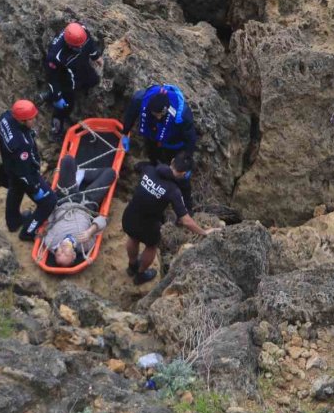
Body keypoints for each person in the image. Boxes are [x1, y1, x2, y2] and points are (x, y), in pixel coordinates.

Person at [121, 152, 216, 285]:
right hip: (148, 225)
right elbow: (185, 220)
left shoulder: (149, 169)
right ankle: (140, 274)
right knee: (151, 246)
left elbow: (137, 167)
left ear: (171, 162)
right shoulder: (173, 190)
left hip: (129, 216)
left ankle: (131, 267)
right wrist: (204, 232)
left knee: (132, 237)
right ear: (184, 174)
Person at [121, 83, 197, 211]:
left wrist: (188, 159)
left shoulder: (182, 115)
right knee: (153, 155)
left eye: (158, 115)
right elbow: (131, 114)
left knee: (180, 174)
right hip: (153, 136)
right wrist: (125, 132)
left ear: (165, 110)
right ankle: (152, 168)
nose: (156, 117)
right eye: (153, 114)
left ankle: (187, 207)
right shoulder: (141, 99)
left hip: (174, 143)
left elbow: (191, 139)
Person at [0, 99, 57, 241]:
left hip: (10, 165)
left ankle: (13, 222)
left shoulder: (5, 118)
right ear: (22, 121)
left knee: (15, 189)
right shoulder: (21, 144)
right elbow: (24, 171)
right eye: (31, 118)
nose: (35, 120)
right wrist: (35, 187)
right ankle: (29, 232)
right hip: (23, 171)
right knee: (49, 201)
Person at [42, 154, 116, 267]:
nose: (62, 251)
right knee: (110, 173)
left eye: (58, 254)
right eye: (65, 255)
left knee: (67, 160)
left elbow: (46, 224)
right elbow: (103, 220)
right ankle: (81, 175)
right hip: (86, 205)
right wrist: (90, 231)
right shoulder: (85, 246)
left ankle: (77, 176)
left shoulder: (50, 241)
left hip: (65, 200)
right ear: (73, 256)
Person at [41, 22, 104, 138]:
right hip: (65, 77)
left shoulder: (82, 32)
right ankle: (56, 127)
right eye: (77, 46)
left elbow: (90, 43)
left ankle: (60, 95)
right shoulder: (55, 56)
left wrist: (95, 56)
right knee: (66, 106)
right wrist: (57, 96)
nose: (80, 47)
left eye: (81, 45)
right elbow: (52, 77)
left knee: (93, 80)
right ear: (68, 44)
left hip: (81, 67)